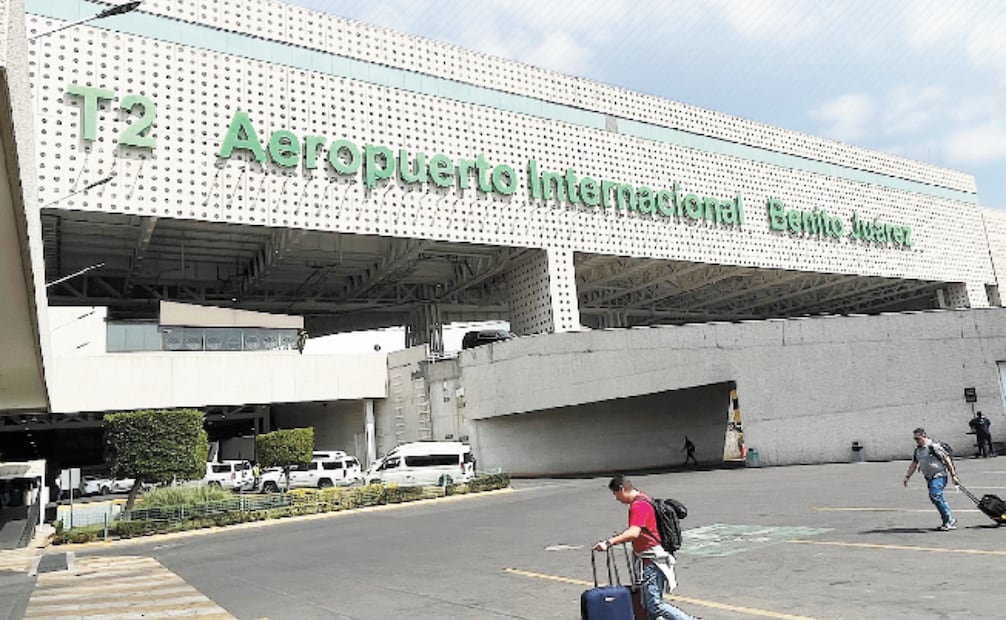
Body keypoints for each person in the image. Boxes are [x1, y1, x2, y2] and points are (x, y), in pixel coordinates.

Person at [593, 475, 695, 620]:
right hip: (651, 557)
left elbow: (634, 532)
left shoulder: (638, 505)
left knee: (655, 605)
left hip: (652, 559)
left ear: (622, 489)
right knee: (649, 607)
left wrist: (609, 542)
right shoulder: (645, 499)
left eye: (616, 494)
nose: (617, 499)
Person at [903, 428, 960, 531]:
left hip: (939, 475)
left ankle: (949, 520)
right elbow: (914, 464)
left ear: (924, 436)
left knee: (935, 495)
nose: (917, 441)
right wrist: (907, 477)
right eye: (915, 439)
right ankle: (948, 520)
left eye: (918, 438)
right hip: (929, 478)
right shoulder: (918, 450)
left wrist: (953, 475)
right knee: (937, 498)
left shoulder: (933, 446)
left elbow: (947, 460)